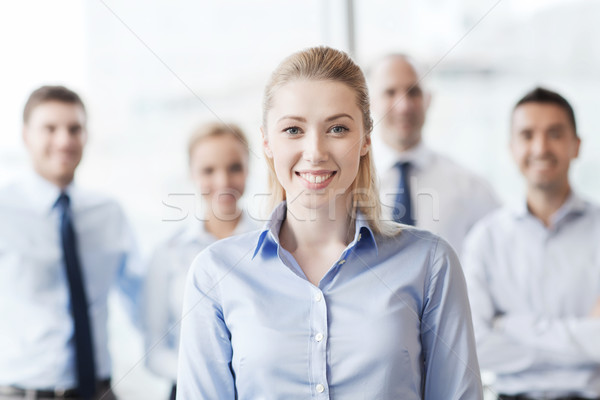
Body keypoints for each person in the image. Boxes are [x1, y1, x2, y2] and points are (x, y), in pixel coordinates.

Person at [176, 46, 483, 399]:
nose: (316, 152)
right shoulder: (215, 274)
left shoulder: (430, 263)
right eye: (293, 130)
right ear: (266, 142)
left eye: (337, 128)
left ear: (366, 138)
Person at [0, 86, 143, 400]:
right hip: (21, 392)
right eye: (50, 129)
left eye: (74, 129)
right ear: (26, 136)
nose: (64, 140)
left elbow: (143, 303)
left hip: (99, 390)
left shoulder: (109, 213)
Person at [463, 87, 600, 399]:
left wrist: (511, 327)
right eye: (527, 135)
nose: (540, 147)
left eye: (554, 134)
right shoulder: (486, 239)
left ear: (576, 145)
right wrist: (583, 344)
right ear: (511, 147)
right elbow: (475, 345)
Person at [143, 122, 258, 400]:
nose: (223, 181)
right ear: (192, 174)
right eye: (208, 170)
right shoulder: (168, 253)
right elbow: (153, 351)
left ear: (248, 169)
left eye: (234, 167)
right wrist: (207, 377)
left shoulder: (272, 244)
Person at [369, 53, 499, 255]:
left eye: (414, 93)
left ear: (428, 99)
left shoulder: (470, 187)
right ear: (370, 103)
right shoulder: (345, 185)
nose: (404, 106)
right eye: (390, 92)